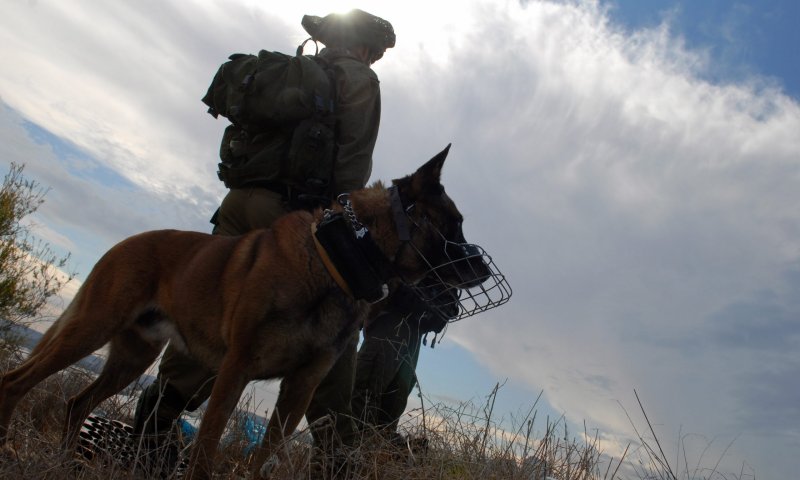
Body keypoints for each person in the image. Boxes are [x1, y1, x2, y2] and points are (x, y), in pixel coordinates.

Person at [131, 8, 395, 471]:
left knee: (209, 314)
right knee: (335, 327)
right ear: (365, 47)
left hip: (237, 206)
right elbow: (352, 168)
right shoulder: (360, 80)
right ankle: (337, 456)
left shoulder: (292, 72)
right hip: (289, 224)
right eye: (374, 53)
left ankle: (153, 430)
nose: (373, 60)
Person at [352, 283, 458, 443]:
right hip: (409, 331)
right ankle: (374, 451)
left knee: (365, 402)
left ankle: (359, 451)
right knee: (384, 414)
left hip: (394, 325)